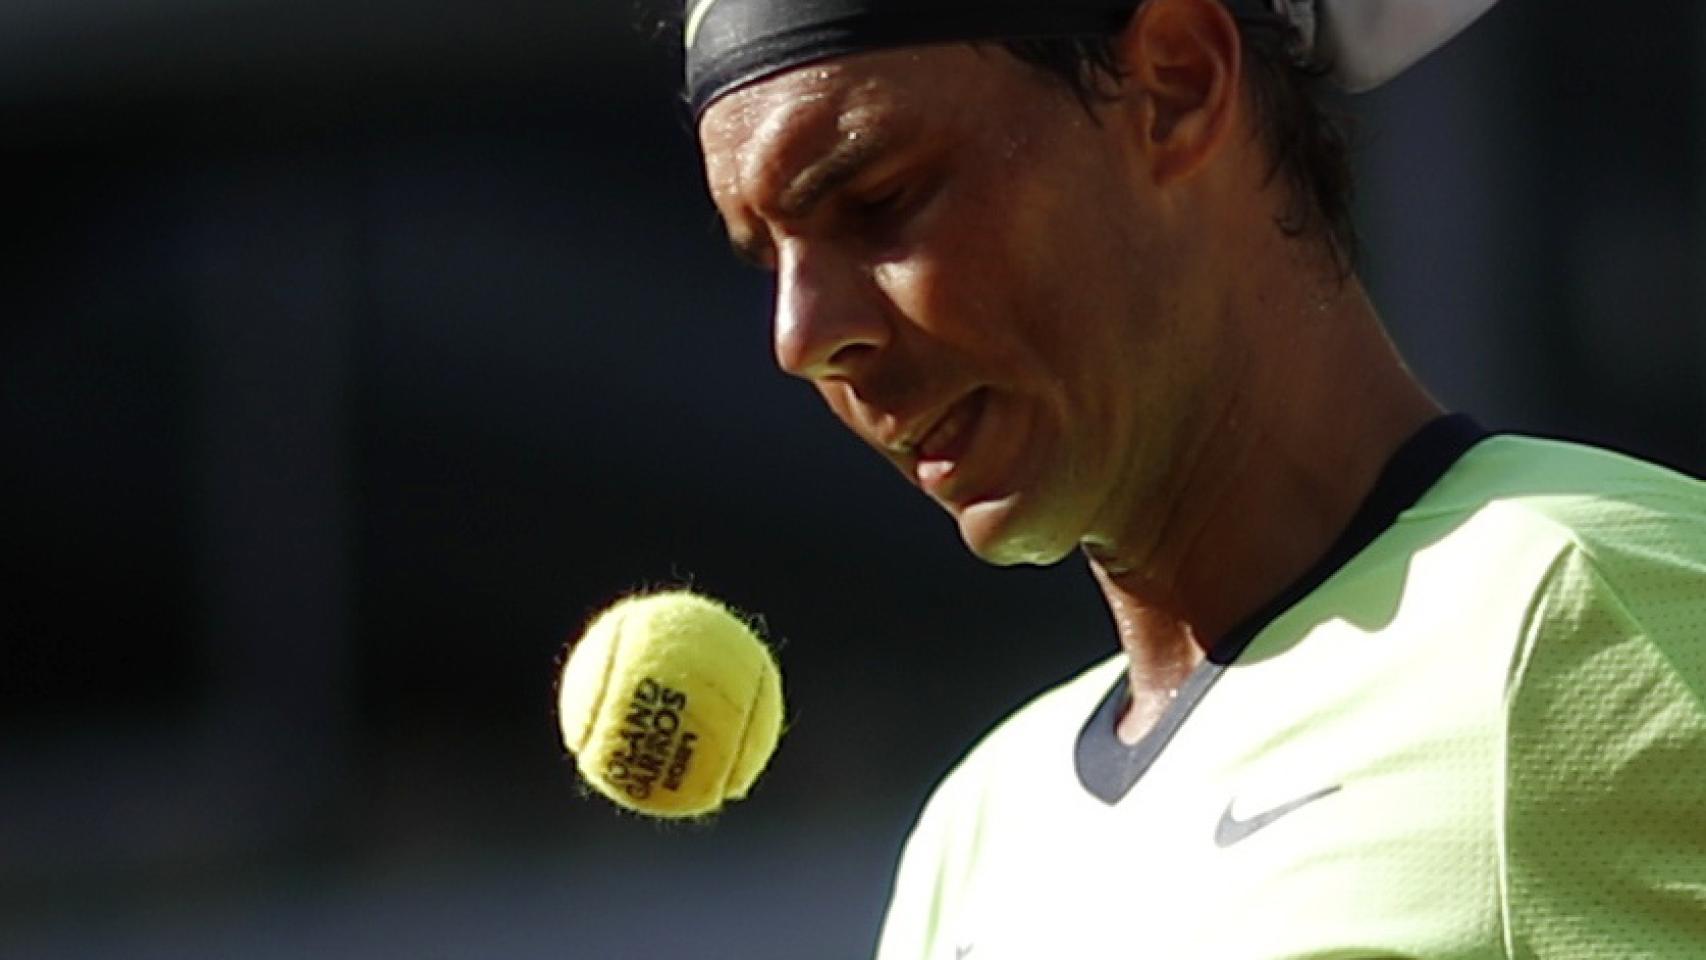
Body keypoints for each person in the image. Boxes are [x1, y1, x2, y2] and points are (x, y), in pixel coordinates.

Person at [682, 0, 1706, 956]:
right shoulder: (974, 829)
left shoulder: (1597, 608)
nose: (801, 337)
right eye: (766, 261)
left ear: (1175, 83)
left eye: (879, 199)